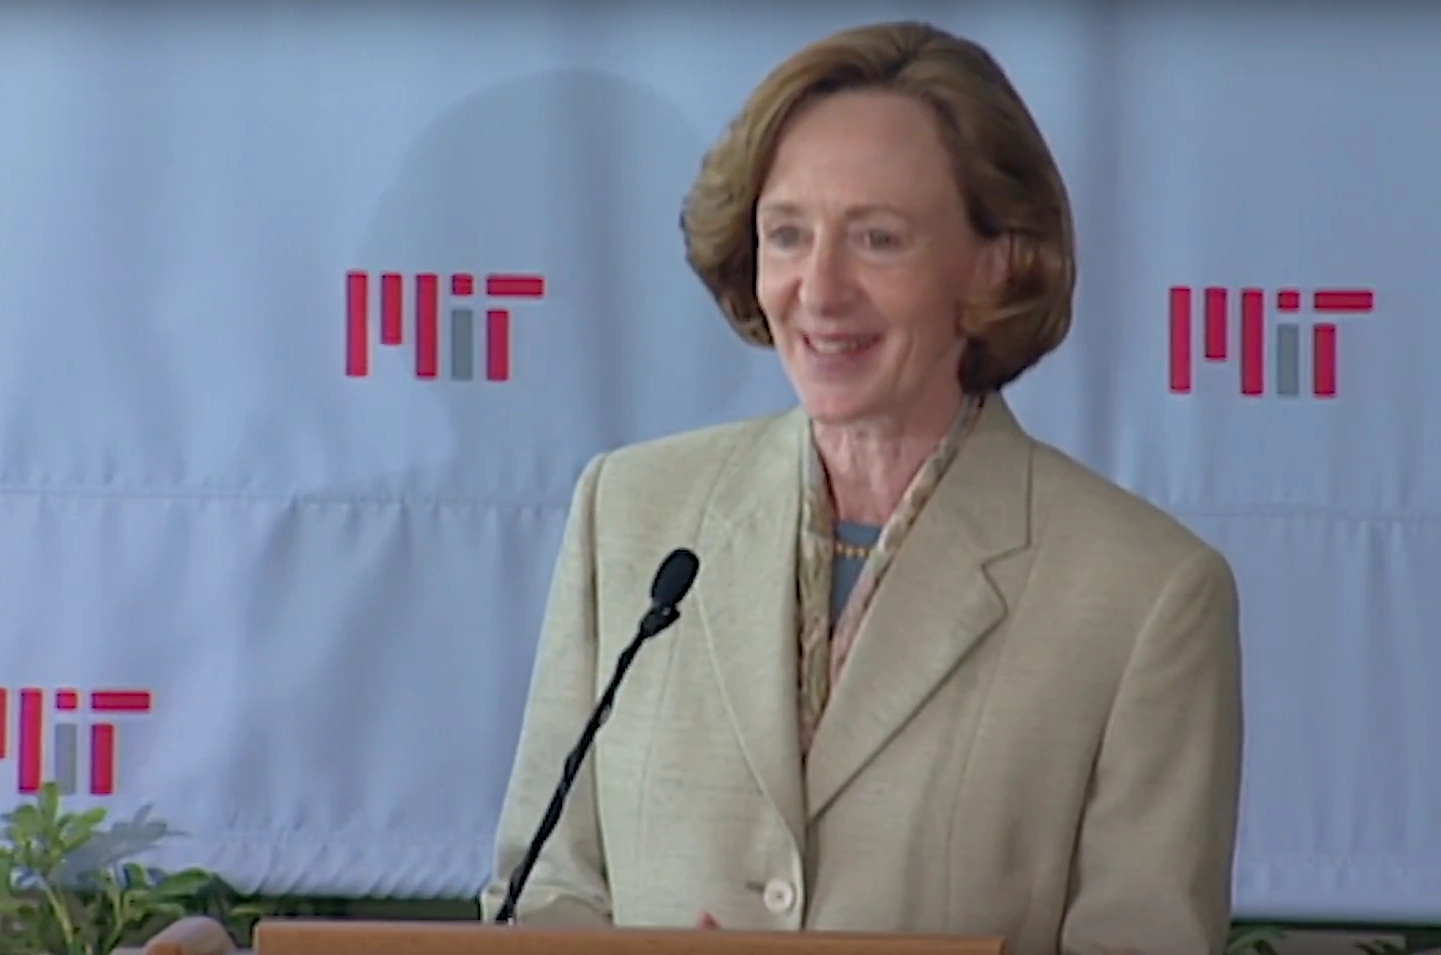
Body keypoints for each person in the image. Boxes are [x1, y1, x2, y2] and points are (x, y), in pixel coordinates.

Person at [479, 19, 1243, 955]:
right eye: (786, 234)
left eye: (877, 239)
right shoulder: (633, 511)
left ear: (995, 259)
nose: (820, 288)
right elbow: (545, 889)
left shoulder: (1144, 593)